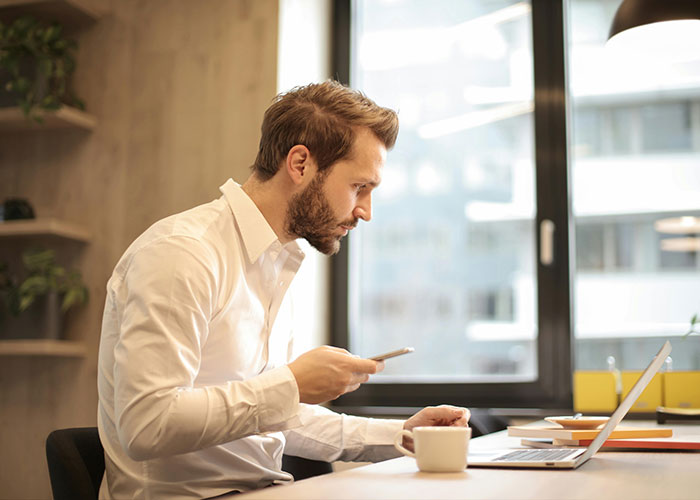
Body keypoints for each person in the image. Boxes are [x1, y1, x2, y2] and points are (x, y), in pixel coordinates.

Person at [97, 80, 470, 499]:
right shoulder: (183, 254)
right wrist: (290, 384)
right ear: (299, 164)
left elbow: (266, 416)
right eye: (359, 187)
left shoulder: (277, 263)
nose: (365, 211)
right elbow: (147, 425)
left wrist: (400, 435)